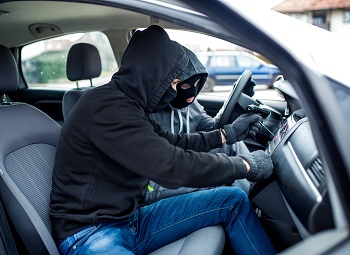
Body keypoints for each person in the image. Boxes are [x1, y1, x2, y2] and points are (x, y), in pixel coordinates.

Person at [50, 25, 276, 255]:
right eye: (174, 83)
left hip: (130, 219)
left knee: (233, 200)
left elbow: (173, 142)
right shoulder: (106, 108)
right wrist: (245, 165)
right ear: (152, 75)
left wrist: (226, 134)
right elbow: (171, 165)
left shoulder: (130, 106)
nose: (176, 91)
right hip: (91, 232)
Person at [145, 48, 256, 202]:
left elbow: (212, 127)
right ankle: (249, 205)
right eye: (184, 86)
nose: (193, 91)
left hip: (185, 159)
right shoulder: (149, 111)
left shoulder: (190, 103)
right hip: (158, 180)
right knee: (226, 178)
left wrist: (237, 108)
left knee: (234, 145)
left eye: (197, 83)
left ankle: (256, 185)